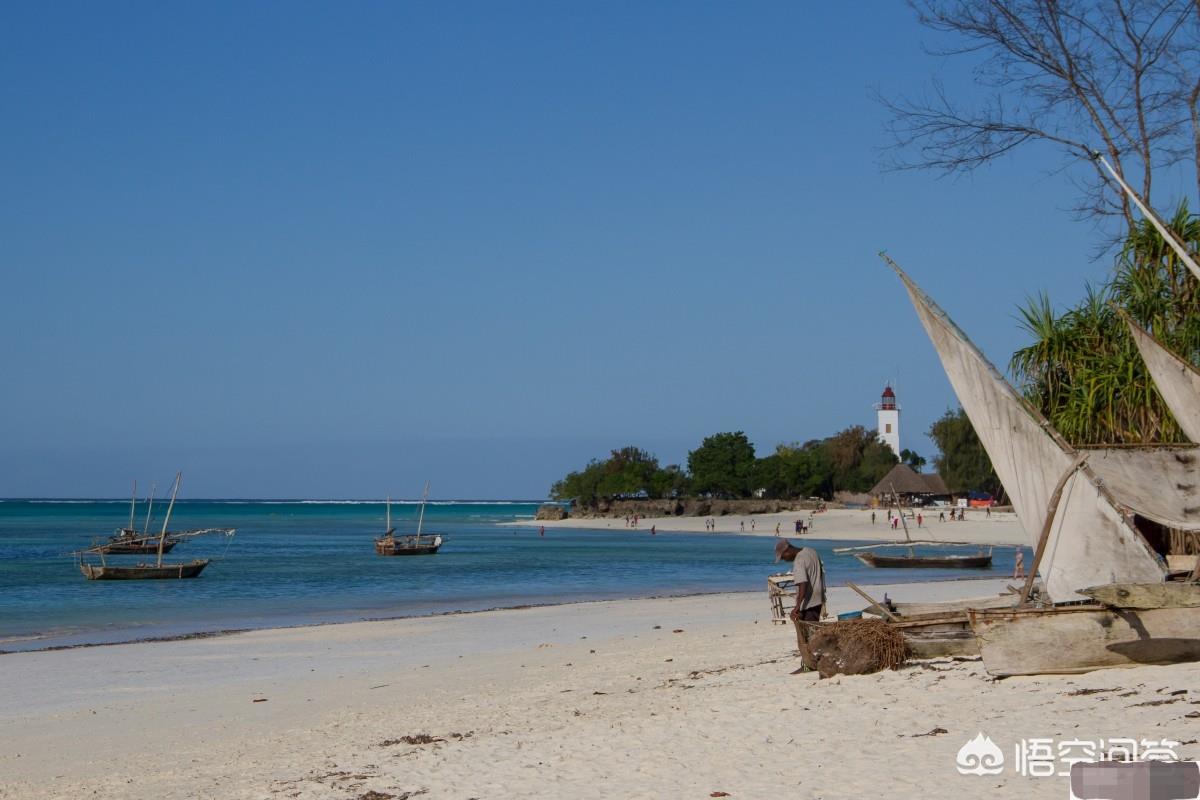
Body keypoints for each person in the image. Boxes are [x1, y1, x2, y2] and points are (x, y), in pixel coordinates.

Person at [775, 539, 826, 623]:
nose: (785, 560)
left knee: (808, 630)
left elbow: (803, 584)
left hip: (808, 604)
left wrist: (797, 607)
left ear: (787, 551)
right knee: (814, 627)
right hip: (818, 600)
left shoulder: (798, 561)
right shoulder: (811, 551)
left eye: (783, 557)